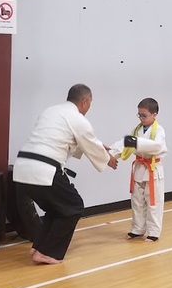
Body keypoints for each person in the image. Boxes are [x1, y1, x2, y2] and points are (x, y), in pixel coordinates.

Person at [13, 84, 118, 265]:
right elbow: (88, 142)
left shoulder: (51, 111)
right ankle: (47, 252)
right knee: (74, 207)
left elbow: (67, 139)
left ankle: (39, 246)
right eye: (90, 103)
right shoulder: (78, 119)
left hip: (22, 168)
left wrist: (99, 146)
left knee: (57, 208)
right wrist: (107, 159)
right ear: (85, 101)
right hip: (44, 169)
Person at [114, 97, 167, 242]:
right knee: (137, 201)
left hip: (152, 169)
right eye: (139, 115)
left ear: (154, 114)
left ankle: (154, 232)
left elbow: (156, 146)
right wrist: (110, 154)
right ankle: (137, 229)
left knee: (153, 202)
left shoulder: (159, 130)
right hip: (139, 169)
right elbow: (126, 144)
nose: (141, 118)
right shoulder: (137, 129)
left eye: (144, 115)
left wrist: (136, 142)